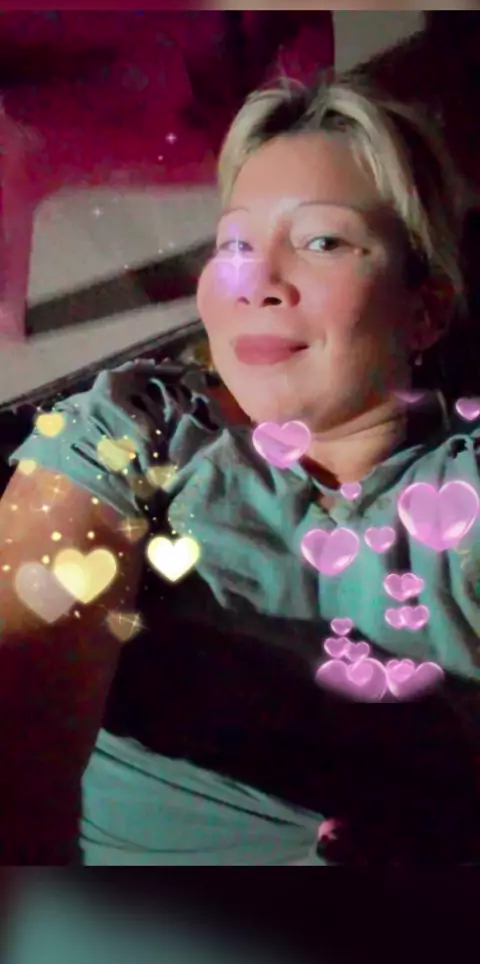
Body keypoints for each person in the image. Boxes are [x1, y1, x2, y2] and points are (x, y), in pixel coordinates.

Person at [1, 71, 480, 883]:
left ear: (424, 309)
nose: (254, 282)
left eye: (323, 242)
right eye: (234, 245)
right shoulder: (131, 432)